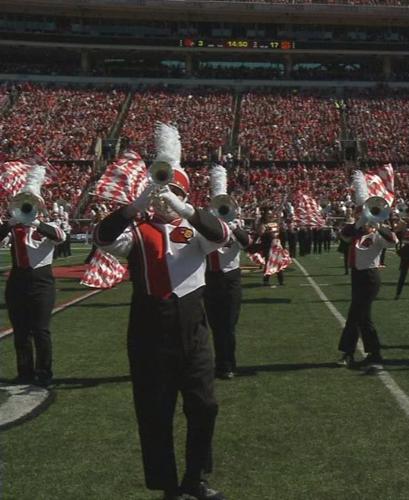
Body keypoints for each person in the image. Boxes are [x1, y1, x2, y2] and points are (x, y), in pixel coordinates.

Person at [95, 124, 228, 500]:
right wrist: (135, 207)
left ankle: (196, 478)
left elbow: (221, 236)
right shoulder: (135, 231)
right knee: (155, 410)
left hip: (193, 324)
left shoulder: (194, 228)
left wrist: (186, 209)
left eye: (174, 190)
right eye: (160, 190)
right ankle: (167, 485)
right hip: (150, 326)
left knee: (204, 404)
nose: (164, 197)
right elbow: (103, 238)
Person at [1, 164, 65, 387]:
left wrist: (36, 222)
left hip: (41, 280)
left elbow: (60, 237)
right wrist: (10, 222)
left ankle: (44, 372)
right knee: (20, 331)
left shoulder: (47, 225)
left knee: (41, 330)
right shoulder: (14, 227)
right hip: (18, 279)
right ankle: (25, 372)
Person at [337, 171, 398, 371]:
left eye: (360, 212)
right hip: (357, 276)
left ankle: (348, 353)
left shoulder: (376, 235)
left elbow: (393, 241)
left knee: (356, 315)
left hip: (370, 277)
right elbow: (344, 236)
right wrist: (360, 222)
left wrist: (378, 224)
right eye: (358, 212)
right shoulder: (355, 231)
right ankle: (374, 354)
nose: (358, 214)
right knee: (363, 317)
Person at [204, 165, 250, 381]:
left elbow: (248, 243)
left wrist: (232, 225)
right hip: (209, 278)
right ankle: (216, 363)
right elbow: (188, 239)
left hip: (230, 278)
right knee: (213, 325)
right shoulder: (204, 225)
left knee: (228, 325)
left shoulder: (236, 224)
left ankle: (228, 364)